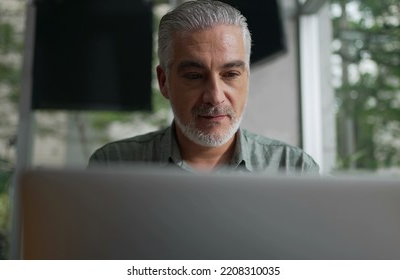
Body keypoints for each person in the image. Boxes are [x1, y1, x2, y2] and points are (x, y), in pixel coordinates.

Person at [89, 0, 319, 174]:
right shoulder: (114, 165)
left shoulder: (293, 169)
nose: (215, 97)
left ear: (246, 80)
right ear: (164, 82)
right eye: (194, 76)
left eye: (230, 74)